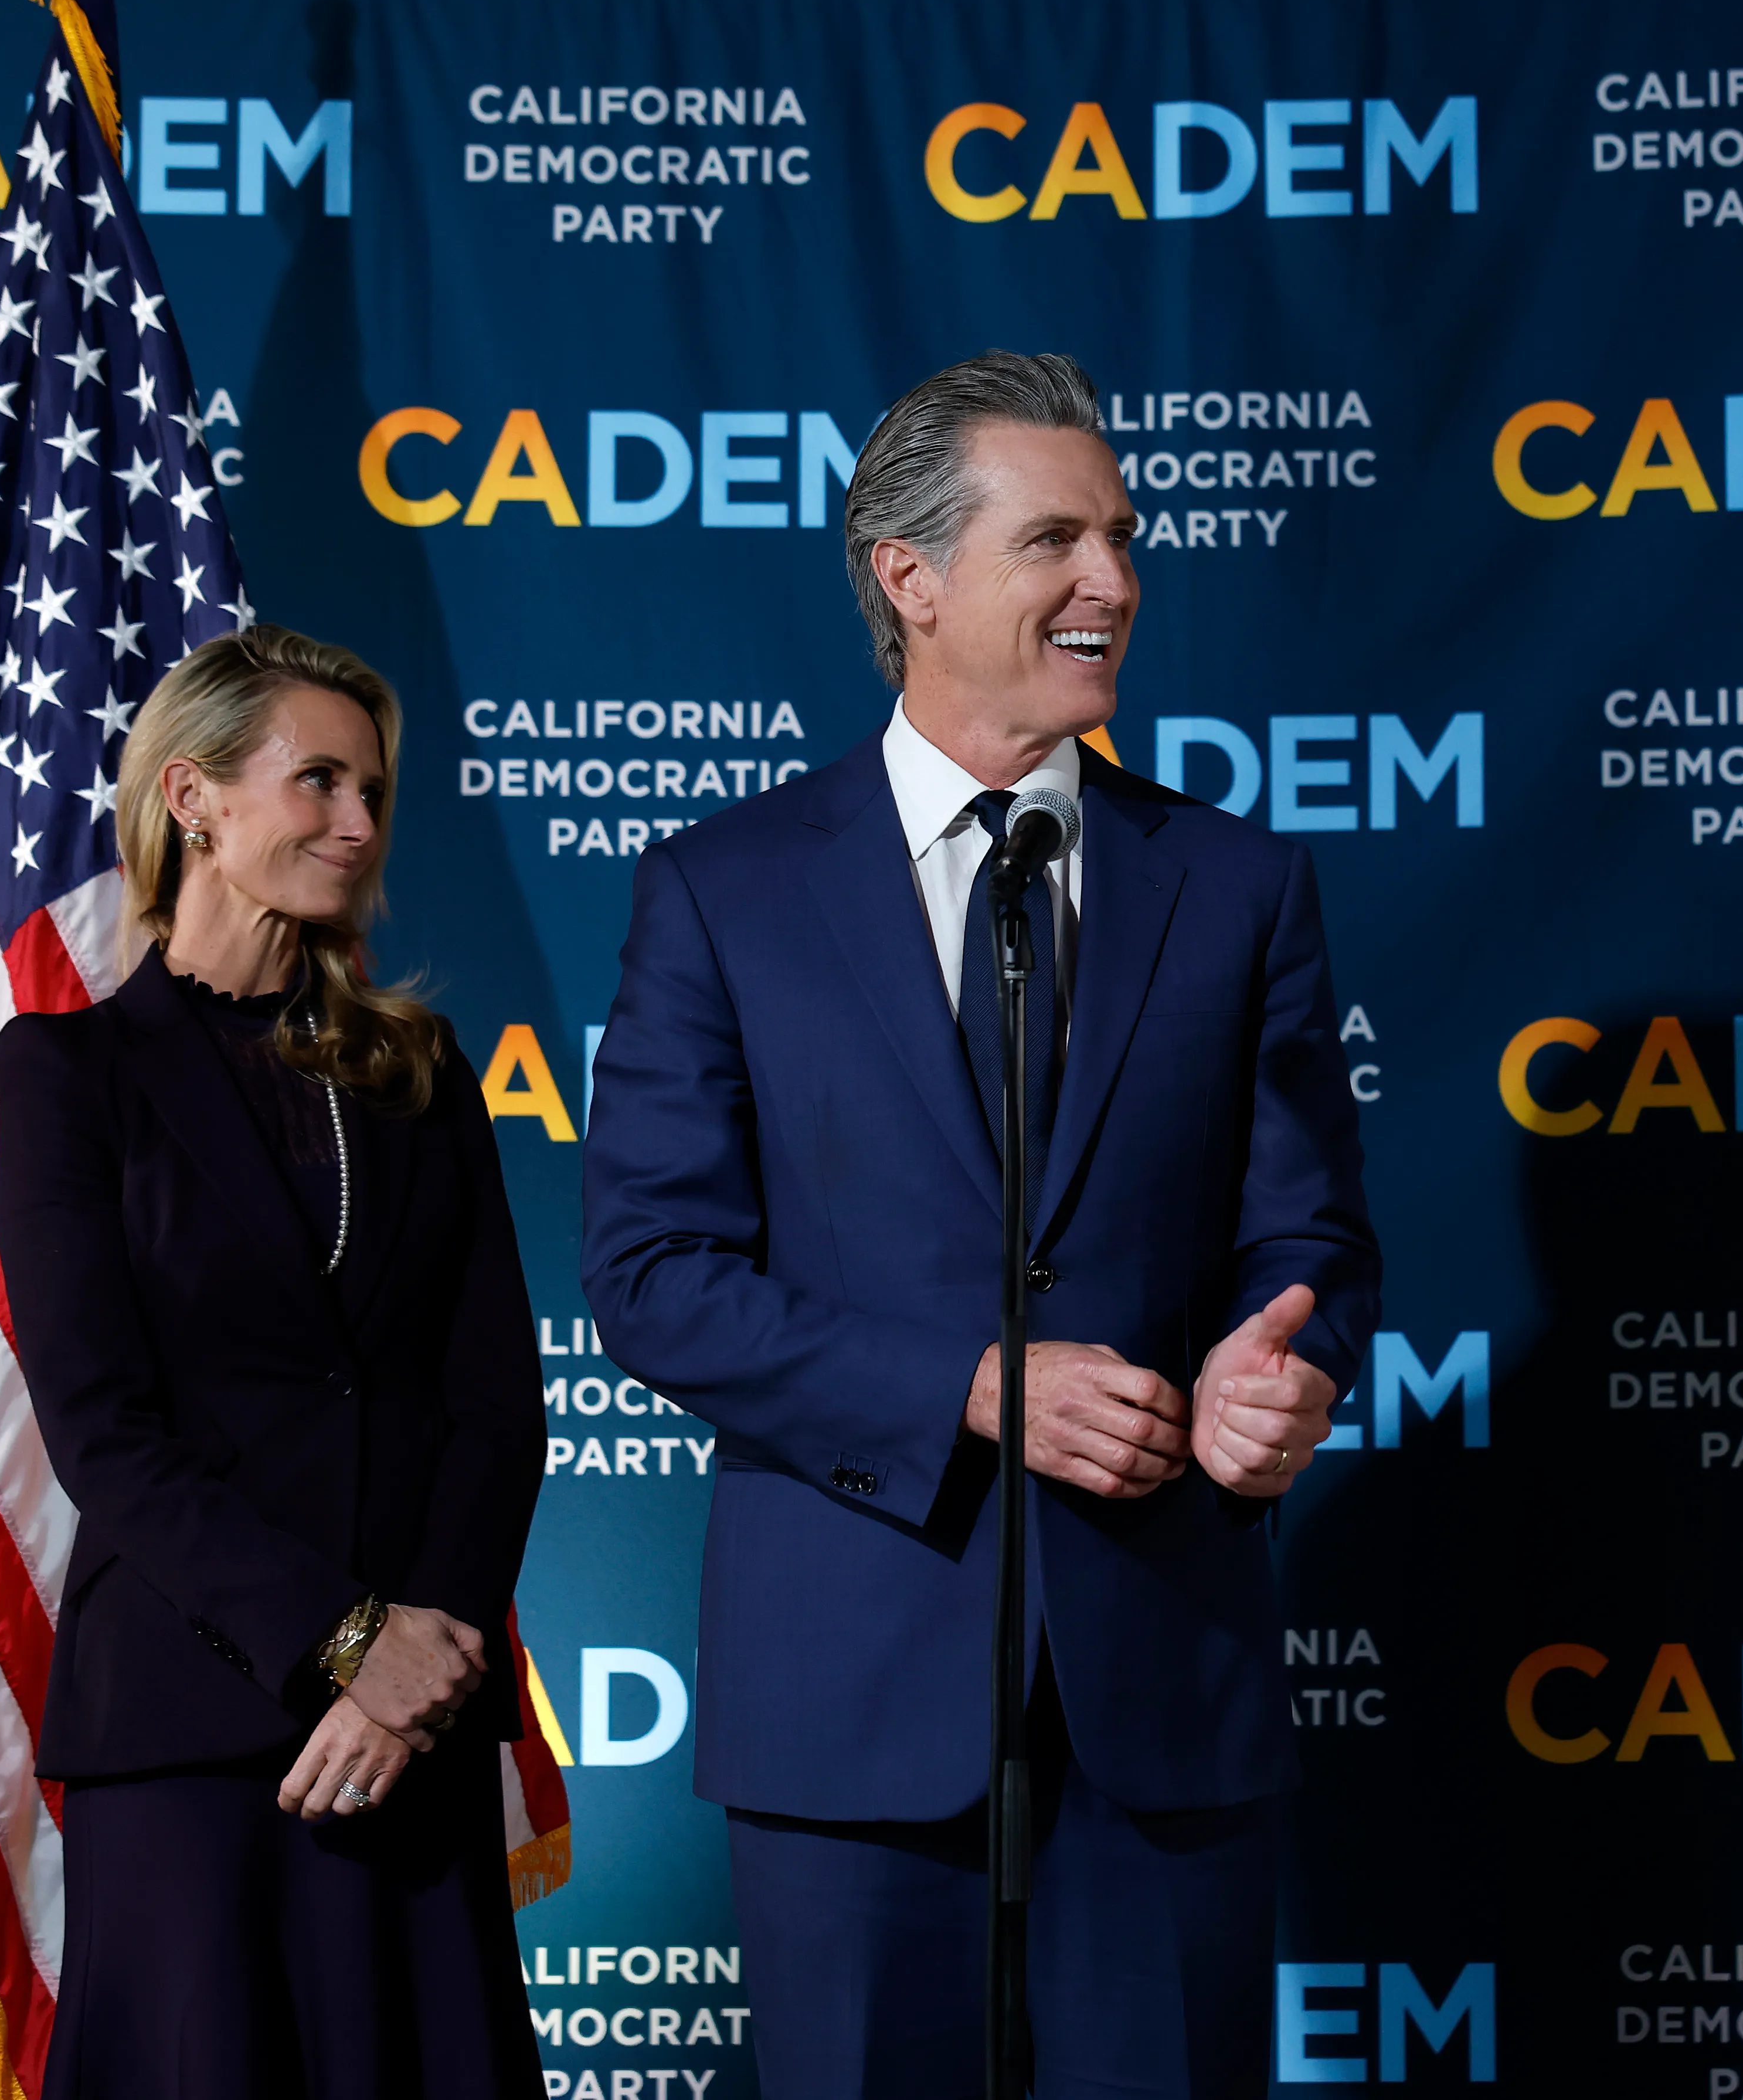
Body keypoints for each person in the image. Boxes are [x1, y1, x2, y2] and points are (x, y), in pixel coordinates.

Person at [581, 350, 1381, 2096]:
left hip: (1161, 1681)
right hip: (848, 1688)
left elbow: (1308, 1240)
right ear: (912, 576)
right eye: (1056, 540)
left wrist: (1287, 1371)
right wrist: (968, 1384)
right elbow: (651, 1276)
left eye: (1122, 537)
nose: (1114, 580)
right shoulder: (724, 889)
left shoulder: (1240, 884)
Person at [0, 626, 546, 2099]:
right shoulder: (71, 1074)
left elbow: (499, 1407)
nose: (359, 823)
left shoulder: (424, 1072)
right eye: (319, 780)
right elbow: (105, 1432)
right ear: (194, 796)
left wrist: (420, 1659)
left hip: (417, 1732)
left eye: (374, 791)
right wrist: (349, 1642)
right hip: (192, 1725)